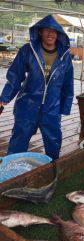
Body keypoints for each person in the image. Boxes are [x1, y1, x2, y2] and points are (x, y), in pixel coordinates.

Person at [0, 15, 74, 160]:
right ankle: (12, 171)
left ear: (59, 34)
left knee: (54, 142)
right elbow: (15, 75)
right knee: (18, 141)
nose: (50, 34)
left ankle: (52, 170)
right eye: (47, 30)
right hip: (27, 105)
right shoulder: (28, 50)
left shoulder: (65, 56)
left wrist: (65, 107)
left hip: (52, 108)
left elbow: (68, 84)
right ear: (40, 32)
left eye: (54, 31)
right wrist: (4, 99)